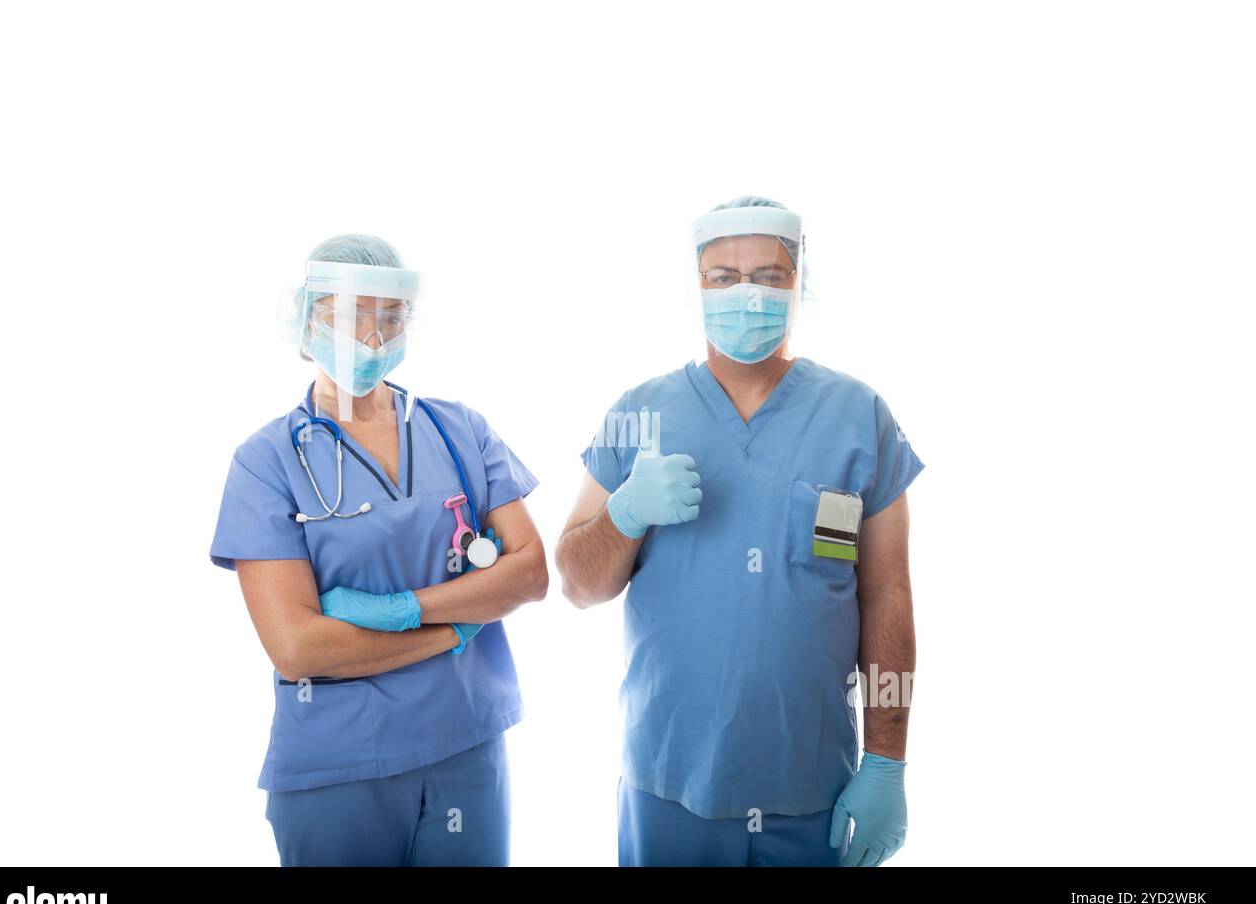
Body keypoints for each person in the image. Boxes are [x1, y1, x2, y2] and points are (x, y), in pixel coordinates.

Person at [556, 197, 924, 867]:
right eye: (725, 277)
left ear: (799, 282)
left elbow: (889, 595)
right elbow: (577, 586)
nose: (747, 294)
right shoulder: (635, 414)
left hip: (813, 791)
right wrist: (624, 514)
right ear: (696, 286)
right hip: (667, 790)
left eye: (769, 275)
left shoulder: (859, 416)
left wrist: (888, 762)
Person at [210, 233, 547, 866]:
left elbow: (529, 574)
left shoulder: (459, 429)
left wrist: (397, 608)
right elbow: (299, 647)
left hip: (466, 747)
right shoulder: (266, 462)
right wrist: (455, 629)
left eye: (389, 318)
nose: (372, 337)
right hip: (339, 768)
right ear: (310, 319)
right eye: (352, 315)